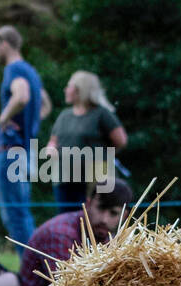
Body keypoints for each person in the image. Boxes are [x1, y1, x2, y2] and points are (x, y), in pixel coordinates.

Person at [0, 25, 50, 254]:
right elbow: (45, 104)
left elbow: (21, 96)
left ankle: (31, 275)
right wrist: (30, 123)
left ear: (4, 43)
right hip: (26, 151)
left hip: (10, 150)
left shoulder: (13, 69)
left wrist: (3, 117)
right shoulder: (31, 71)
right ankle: (37, 270)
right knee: (23, 213)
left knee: (15, 216)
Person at [18, 178, 134, 286]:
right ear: (88, 204)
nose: (104, 219)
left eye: (113, 213)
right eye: (100, 208)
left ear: (124, 216)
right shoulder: (60, 234)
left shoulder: (108, 237)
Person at [44, 71, 127, 212]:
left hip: (93, 180)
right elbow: (53, 141)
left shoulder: (101, 114)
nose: (65, 90)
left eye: (69, 86)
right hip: (65, 178)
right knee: (67, 218)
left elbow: (120, 141)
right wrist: (51, 149)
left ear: (80, 90)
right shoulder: (64, 116)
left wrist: (101, 158)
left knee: (93, 219)